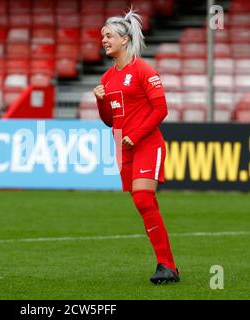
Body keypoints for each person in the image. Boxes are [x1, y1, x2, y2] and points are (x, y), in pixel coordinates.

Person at [93, 9, 179, 284]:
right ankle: (167, 267)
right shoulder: (107, 78)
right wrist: (100, 101)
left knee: (143, 199)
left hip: (146, 144)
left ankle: (166, 265)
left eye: (109, 36)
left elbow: (161, 108)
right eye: (102, 36)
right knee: (143, 203)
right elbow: (109, 121)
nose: (104, 40)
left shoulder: (143, 70)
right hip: (123, 146)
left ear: (125, 39)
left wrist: (137, 134)